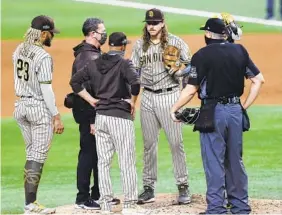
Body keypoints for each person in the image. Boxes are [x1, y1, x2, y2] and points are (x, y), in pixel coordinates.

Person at [171, 18, 265, 214]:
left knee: (214, 160)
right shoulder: (240, 50)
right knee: (235, 160)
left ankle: (216, 208)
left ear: (207, 34)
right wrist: (243, 107)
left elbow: (190, 90)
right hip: (235, 111)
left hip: (213, 112)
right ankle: (240, 206)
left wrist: (174, 108)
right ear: (225, 34)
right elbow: (258, 80)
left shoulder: (202, 55)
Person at [70, 32, 145, 214]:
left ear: (110, 44)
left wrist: (92, 100)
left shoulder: (95, 63)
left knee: (103, 162)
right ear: (123, 46)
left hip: (101, 116)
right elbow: (135, 84)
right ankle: (129, 205)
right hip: (119, 116)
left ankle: (104, 204)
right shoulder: (124, 63)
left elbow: (75, 82)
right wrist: (133, 102)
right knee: (126, 161)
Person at [130, 8, 192, 205]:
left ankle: (183, 186)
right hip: (147, 97)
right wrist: (133, 100)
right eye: (149, 23)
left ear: (163, 23)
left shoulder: (176, 42)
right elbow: (134, 72)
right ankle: (148, 188)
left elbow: (192, 66)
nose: (152, 27)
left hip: (169, 96)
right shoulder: (140, 45)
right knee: (149, 145)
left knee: (175, 143)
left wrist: (179, 70)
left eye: (155, 23)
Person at [65, 17, 120, 210]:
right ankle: (82, 198)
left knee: (100, 154)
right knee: (88, 154)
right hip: (90, 114)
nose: (104, 34)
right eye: (102, 31)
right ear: (92, 34)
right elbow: (86, 88)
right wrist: (92, 119)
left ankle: (99, 193)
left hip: (96, 113)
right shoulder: (87, 57)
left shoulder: (92, 53)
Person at [12, 15, 64, 214]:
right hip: (37, 109)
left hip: (20, 107)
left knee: (31, 154)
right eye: (51, 33)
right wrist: (56, 115)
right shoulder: (43, 57)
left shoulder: (18, 50)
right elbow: (46, 90)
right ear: (43, 33)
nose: (52, 36)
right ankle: (31, 205)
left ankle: (29, 204)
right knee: (37, 155)